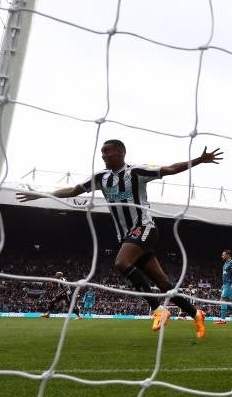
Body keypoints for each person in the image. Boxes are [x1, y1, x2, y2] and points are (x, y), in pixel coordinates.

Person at [16, 139, 219, 339]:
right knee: (163, 283)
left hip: (144, 227)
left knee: (122, 263)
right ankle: (195, 313)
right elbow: (73, 190)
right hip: (126, 236)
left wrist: (199, 160)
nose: (103, 155)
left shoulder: (136, 172)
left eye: (108, 151)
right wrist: (42, 195)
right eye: (102, 152)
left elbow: (170, 169)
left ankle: (158, 309)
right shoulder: (101, 177)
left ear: (121, 152)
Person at [217, 250, 232, 325]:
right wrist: (223, 284)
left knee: (223, 300)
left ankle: (223, 320)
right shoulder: (225, 263)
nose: (222, 256)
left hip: (229, 284)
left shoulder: (231, 262)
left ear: (227, 255)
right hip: (225, 284)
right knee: (225, 302)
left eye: (223, 255)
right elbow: (225, 275)